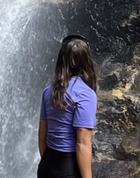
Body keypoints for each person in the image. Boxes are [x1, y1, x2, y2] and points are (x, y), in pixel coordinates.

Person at [37, 34, 98, 178]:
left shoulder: (49, 90)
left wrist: (48, 162)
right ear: (86, 61)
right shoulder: (85, 94)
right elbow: (82, 142)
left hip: (48, 164)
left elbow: (42, 135)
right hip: (68, 167)